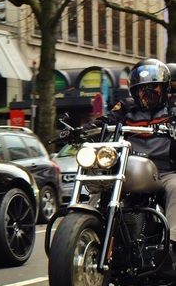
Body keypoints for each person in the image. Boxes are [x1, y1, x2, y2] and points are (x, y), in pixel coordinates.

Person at [70, 59, 176, 249]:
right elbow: (104, 121)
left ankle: (173, 245)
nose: (147, 93)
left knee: (175, 189)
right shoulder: (127, 107)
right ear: (134, 92)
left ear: (164, 88)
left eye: (153, 87)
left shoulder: (172, 108)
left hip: (164, 172)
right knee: (102, 186)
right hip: (129, 170)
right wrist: (80, 131)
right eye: (142, 89)